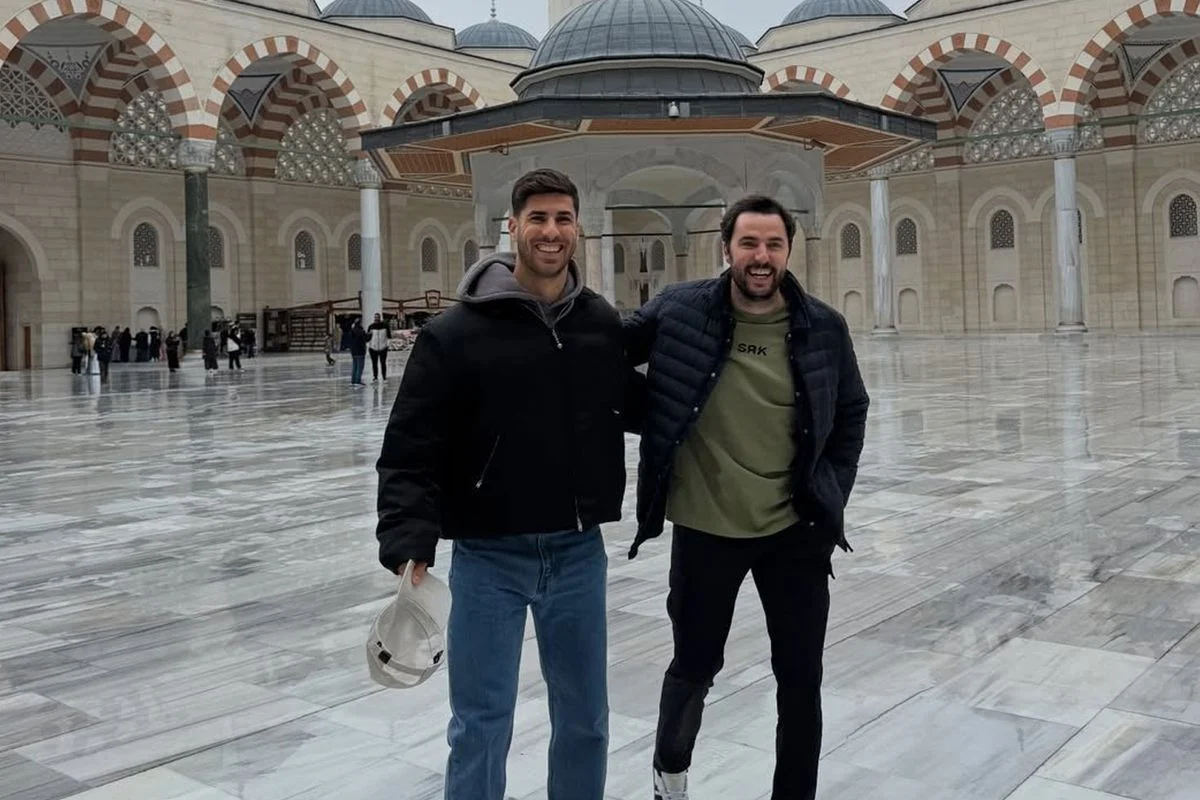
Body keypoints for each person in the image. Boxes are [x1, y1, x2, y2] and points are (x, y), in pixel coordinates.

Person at [375, 168, 632, 800]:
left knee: (586, 719)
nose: (551, 231)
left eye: (563, 219)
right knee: (480, 724)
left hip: (577, 552)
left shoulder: (597, 322)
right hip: (489, 556)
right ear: (512, 227)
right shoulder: (455, 334)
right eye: (538, 218)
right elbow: (411, 443)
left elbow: (634, 401)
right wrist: (408, 534)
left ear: (578, 229)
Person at [623, 195, 870, 800]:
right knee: (694, 666)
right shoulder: (679, 310)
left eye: (773, 245)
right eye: (749, 244)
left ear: (788, 250)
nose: (761, 257)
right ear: (726, 248)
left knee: (800, 679)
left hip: (794, 532)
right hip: (706, 529)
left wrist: (831, 491)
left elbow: (851, 410)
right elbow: (601, 354)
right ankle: (670, 780)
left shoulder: (823, 326)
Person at [367, 312, 391, 382]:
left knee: (383, 363)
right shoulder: (371, 326)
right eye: (375, 317)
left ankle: (384, 377)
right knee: (374, 363)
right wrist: (369, 335)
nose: (376, 319)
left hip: (383, 347)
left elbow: (389, 336)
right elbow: (368, 338)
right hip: (373, 348)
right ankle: (375, 377)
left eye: (377, 317)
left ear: (380, 318)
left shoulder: (385, 326)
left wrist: (387, 345)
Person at [347, 319, 368, 385]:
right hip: (360, 351)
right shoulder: (361, 331)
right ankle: (358, 380)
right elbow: (366, 339)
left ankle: (353, 380)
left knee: (355, 366)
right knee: (360, 367)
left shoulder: (351, 331)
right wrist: (370, 334)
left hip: (354, 351)